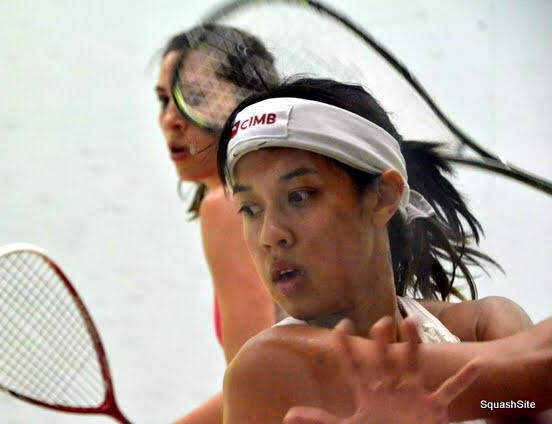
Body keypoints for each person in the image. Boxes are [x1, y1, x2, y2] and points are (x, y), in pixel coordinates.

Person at [215, 78, 552, 423]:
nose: (270, 235)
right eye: (250, 209)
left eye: (299, 196)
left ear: (384, 197)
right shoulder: (268, 366)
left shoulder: (480, 324)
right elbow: (534, 371)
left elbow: (525, 394)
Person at [155, 24, 281, 423]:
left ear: (247, 104)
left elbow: (256, 393)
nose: (170, 119)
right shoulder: (287, 195)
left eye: (193, 99)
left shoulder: (227, 207)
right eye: (163, 100)